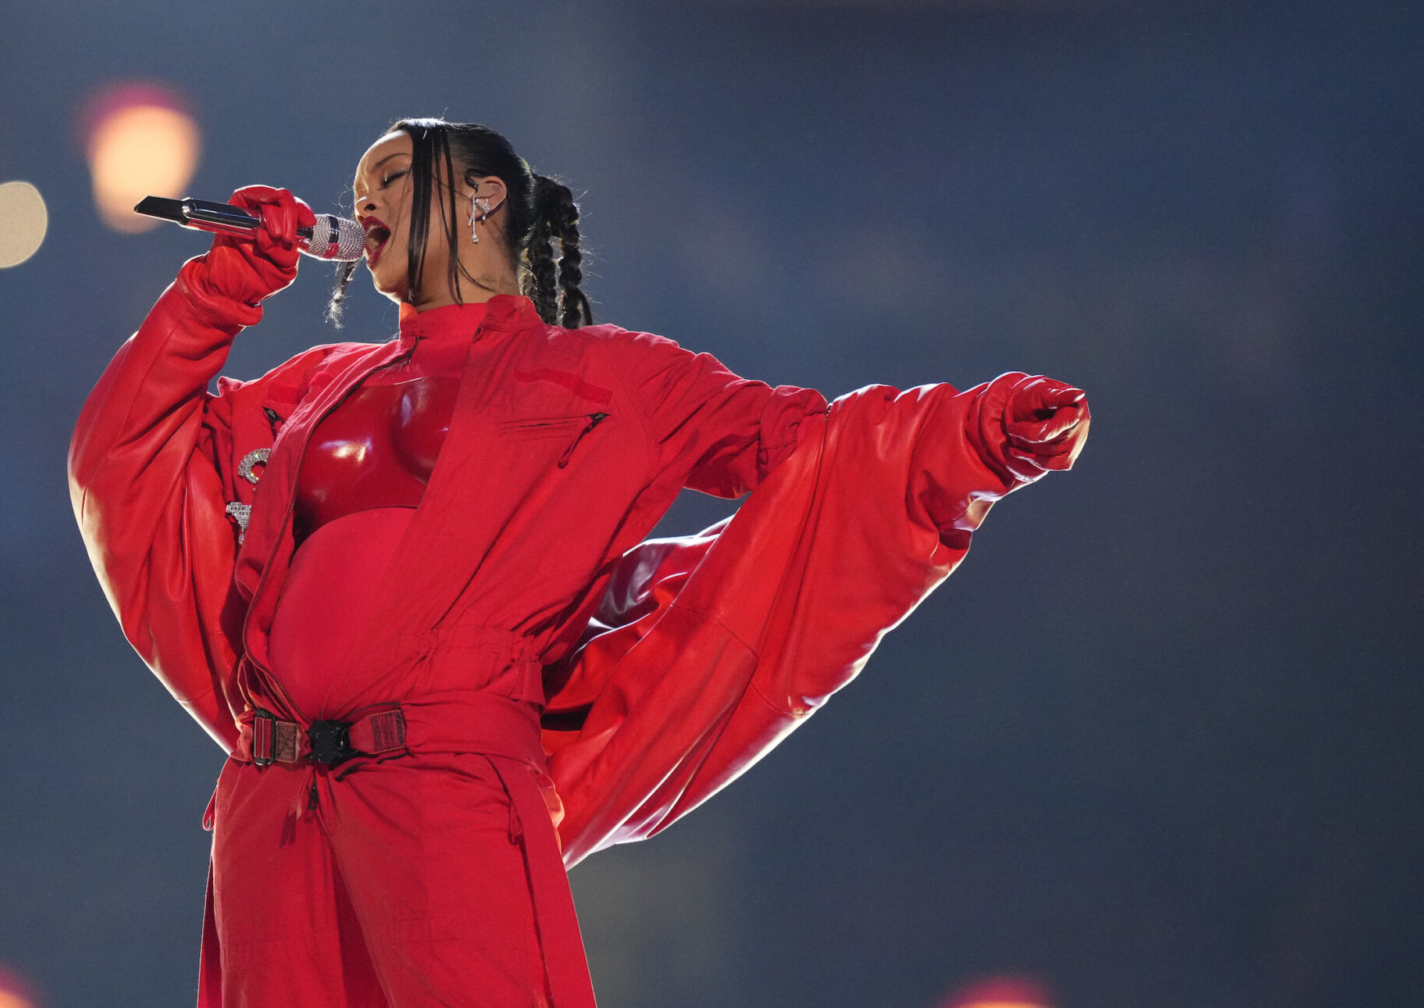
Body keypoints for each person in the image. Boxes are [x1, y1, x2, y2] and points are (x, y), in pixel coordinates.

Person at [69, 119, 1089, 1008]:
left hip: (445, 783)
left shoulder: (609, 377)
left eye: (388, 175)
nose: (360, 203)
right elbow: (127, 454)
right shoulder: (315, 385)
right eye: (354, 191)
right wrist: (221, 289)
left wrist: (975, 433)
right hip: (274, 796)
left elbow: (809, 446)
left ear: (480, 197)